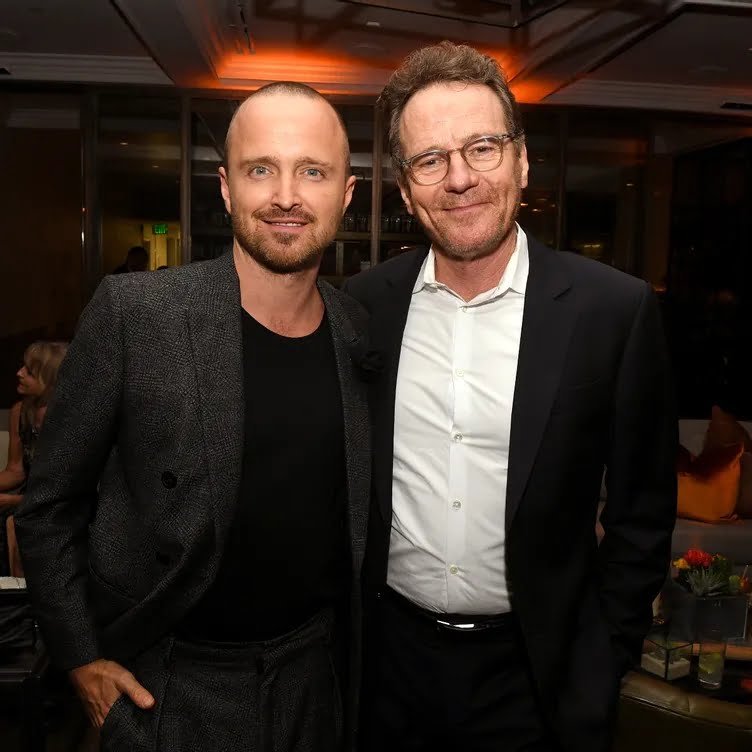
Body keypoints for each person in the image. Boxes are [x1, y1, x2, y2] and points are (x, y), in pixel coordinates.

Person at [15, 82, 370, 752]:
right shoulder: (136, 315)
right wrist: (78, 656)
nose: (286, 195)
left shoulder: (357, 331)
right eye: (260, 169)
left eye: (312, 172)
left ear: (346, 194)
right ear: (227, 189)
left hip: (314, 681)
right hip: (168, 682)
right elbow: (50, 503)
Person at [345, 41, 676, 752]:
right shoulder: (363, 307)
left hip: (539, 679)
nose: (460, 178)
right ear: (405, 189)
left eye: (482, 148)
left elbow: (643, 513)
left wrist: (603, 657)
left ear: (522, 162)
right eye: (430, 159)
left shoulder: (611, 311)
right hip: (387, 669)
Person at [0, 340, 68, 577]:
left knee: (15, 523)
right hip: (28, 494)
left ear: (50, 382)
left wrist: (13, 501)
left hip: (60, 499)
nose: (19, 373)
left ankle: (21, 592)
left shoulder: (67, 419)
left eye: (29, 372)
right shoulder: (20, 411)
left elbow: (64, 489)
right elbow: (16, 471)